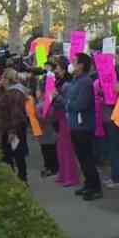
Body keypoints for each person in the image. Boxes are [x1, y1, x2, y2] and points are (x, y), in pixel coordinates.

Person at [67, 53, 102, 201]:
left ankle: (95, 188)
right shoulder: (76, 80)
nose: (72, 64)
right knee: (81, 158)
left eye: (75, 61)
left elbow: (81, 104)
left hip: (84, 127)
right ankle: (88, 184)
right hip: (75, 126)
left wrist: (68, 103)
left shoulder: (86, 82)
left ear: (81, 65)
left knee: (87, 158)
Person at [0, 68, 30, 182]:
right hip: (6, 128)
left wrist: (13, 132)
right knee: (8, 155)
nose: (1, 80)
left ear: (9, 79)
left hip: (13, 129)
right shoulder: (7, 91)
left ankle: (22, 179)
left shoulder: (15, 92)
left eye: (3, 78)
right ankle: (14, 179)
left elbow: (16, 114)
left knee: (17, 155)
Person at [52, 57, 80, 187]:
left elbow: (67, 102)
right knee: (61, 147)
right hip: (59, 116)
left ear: (63, 68)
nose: (55, 69)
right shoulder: (59, 81)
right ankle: (63, 173)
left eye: (57, 66)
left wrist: (56, 96)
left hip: (66, 117)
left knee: (67, 148)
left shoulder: (67, 84)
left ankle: (71, 176)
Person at [36, 61, 59, 178]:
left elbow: (50, 115)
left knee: (50, 149)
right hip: (43, 129)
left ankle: (52, 167)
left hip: (48, 128)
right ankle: (49, 166)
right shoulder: (42, 100)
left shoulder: (49, 100)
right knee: (45, 149)